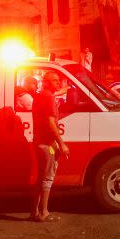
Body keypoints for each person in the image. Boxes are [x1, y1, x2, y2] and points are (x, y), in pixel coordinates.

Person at [32, 71, 70, 222]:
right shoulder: (48, 97)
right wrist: (61, 143)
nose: (58, 83)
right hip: (47, 144)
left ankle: (34, 212)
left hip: (39, 142)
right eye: (55, 81)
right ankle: (44, 213)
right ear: (46, 82)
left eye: (59, 80)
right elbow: (50, 123)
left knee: (40, 179)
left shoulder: (41, 96)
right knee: (47, 178)